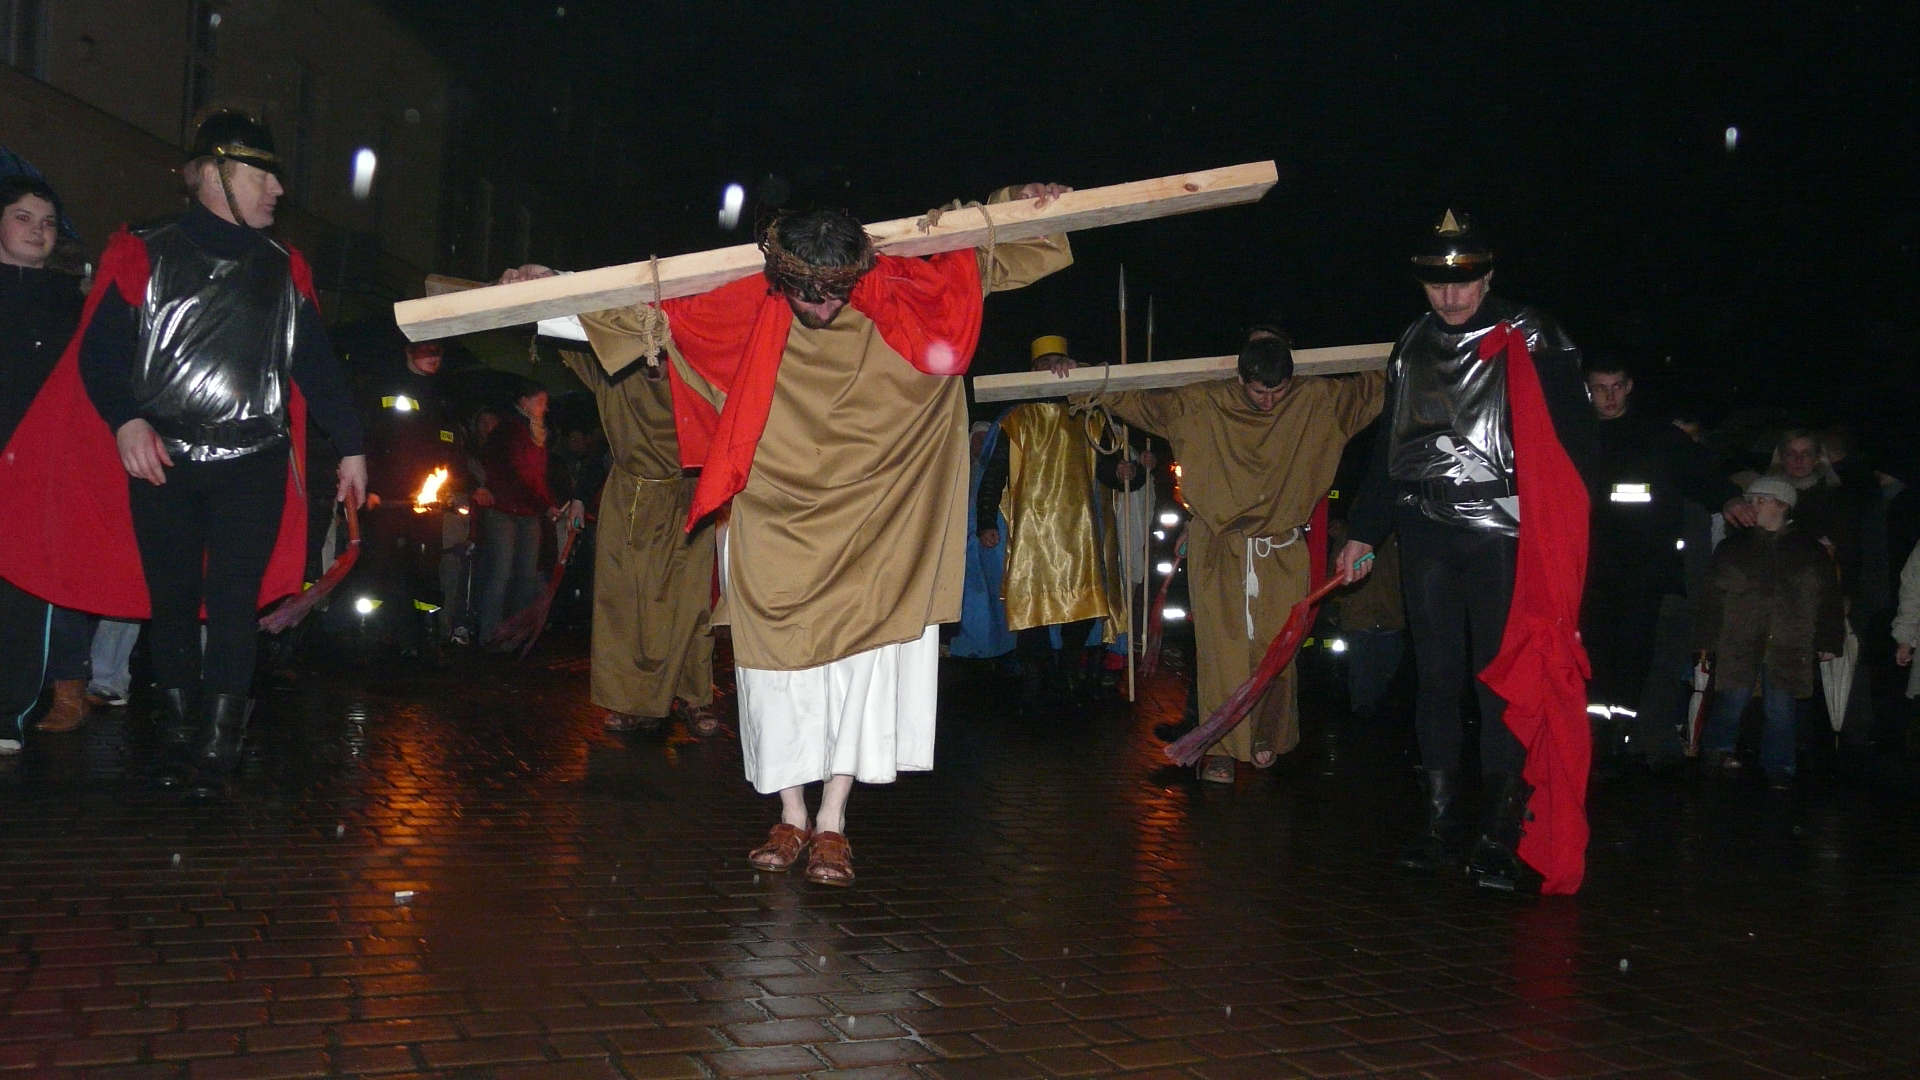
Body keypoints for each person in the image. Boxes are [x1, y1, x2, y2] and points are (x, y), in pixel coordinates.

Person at [573, 184, 1072, 885]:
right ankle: (790, 813)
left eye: (837, 293)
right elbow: (629, 310)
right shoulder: (737, 301)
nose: (823, 308)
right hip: (774, 514)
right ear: (779, 274)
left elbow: (996, 247)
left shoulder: (903, 288)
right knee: (774, 671)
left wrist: (1023, 200)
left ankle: (833, 820)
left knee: (861, 669)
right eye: (807, 295)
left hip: (879, 514)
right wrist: (544, 285)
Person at [0, 112, 367, 798]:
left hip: (253, 460)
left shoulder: (283, 267)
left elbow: (315, 365)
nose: (277, 190)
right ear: (216, 174)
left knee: (231, 602)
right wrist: (126, 422)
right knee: (170, 600)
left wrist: (350, 445)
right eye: (262, 175)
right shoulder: (143, 248)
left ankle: (219, 747)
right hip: (163, 461)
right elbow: (102, 353)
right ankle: (175, 737)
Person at [1338, 210, 1595, 891]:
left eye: (1463, 282)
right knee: (1436, 678)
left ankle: (1499, 835)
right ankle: (1440, 827)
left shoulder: (1531, 333)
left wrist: (1563, 533)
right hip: (1426, 529)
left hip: (1504, 535)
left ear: (1488, 277)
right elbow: (1390, 444)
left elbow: (1574, 440)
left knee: (1498, 680)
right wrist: (1365, 529)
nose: (1450, 296)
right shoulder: (1412, 342)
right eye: (1435, 284)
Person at [1093, 327, 1384, 782]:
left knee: (1279, 648)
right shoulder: (1202, 402)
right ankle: (1220, 750)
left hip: (1281, 551)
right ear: (1241, 377)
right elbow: (1138, 401)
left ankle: (1266, 735)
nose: (1268, 402)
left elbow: (1376, 385)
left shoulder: (1317, 401)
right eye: (1258, 391)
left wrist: (1423, 353)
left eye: (1277, 392)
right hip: (1220, 549)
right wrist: (1089, 378)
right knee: (1221, 652)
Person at [517, 312, 718, 737]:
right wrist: (537, 294)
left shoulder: (698, 370)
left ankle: (694, 696)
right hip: (630, 498)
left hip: (687, 497)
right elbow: (567, 329)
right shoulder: (613, 369)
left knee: (689, 603)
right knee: (624, 603)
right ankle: (632, 702)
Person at [1581, 359, 1746, 768]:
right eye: (1600, 387)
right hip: (1589, 572)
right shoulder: (1575, 434)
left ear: (1629, 386)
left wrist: (1729, 498)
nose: (1609, 396)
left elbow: (1701, 474)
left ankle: (1621, 738)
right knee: (1593, 655)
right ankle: (1591, 739)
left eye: (1616, 386)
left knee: (1635, 655)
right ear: (1587, 390)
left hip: (1644, 571)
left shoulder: (1659, 437)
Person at [975, 335, 1129, 709]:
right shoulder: (1016, 419)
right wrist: (985, 521)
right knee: (1032, 607)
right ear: (1030, 371)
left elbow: (1110, 470)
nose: (1050, 370)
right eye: (1042, 364)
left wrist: (1131, 472)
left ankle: (1066, 669)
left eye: (1057, 362)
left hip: (1078, 532)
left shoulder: (1090, 416)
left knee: (1083, 604)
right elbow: (994, 474)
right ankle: (1034, 679)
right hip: (1032, 530)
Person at [0, 176, 91, 747]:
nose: (38, 231)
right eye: (23, 217)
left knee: (23, 590)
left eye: (48, 223)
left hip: (35, 468)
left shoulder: (70, 304)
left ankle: (7, 712)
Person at [1693, 477, 1845, 787]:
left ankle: (1780, 766)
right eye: (1750, 500)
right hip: (1739, 640)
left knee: (1781, 709)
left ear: (1782, 505)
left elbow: (1828, 597)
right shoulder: (1733, 547)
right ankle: (1716, 751)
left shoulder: (1809, 550)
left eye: (1760, 500)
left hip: (1790, 642)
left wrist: (1829, 639)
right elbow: (1712, 598)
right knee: (1731, 701)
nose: (1752, 507)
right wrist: (1706, 641)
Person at [474, 380, 564, 644]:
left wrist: (549, 503)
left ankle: (516, 633)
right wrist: (544, 505)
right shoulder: (509, 431)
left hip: (528, 511)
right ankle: (491, 634)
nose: (545, 408)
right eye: (540, 401)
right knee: (501, 573)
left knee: (526, 576)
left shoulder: (537, 435)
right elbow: (514, 474)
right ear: (524, 402)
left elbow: (538, 477)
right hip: (504, 509)